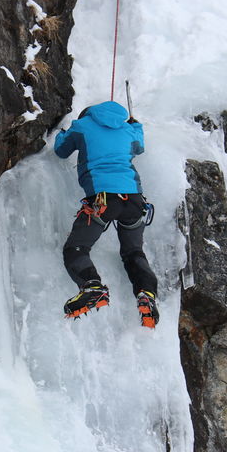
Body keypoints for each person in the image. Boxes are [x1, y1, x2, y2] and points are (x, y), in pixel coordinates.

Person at [54, 100, 159, 327]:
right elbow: (139, 146)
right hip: (134, 200)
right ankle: (147, 294)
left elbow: (61, 151)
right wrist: (136, 125)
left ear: (87, 114)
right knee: (133, 252)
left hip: (103, 200)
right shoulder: (127, 128)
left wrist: (61, 132)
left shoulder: (82, 125)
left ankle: (92, 286)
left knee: (76, 247)